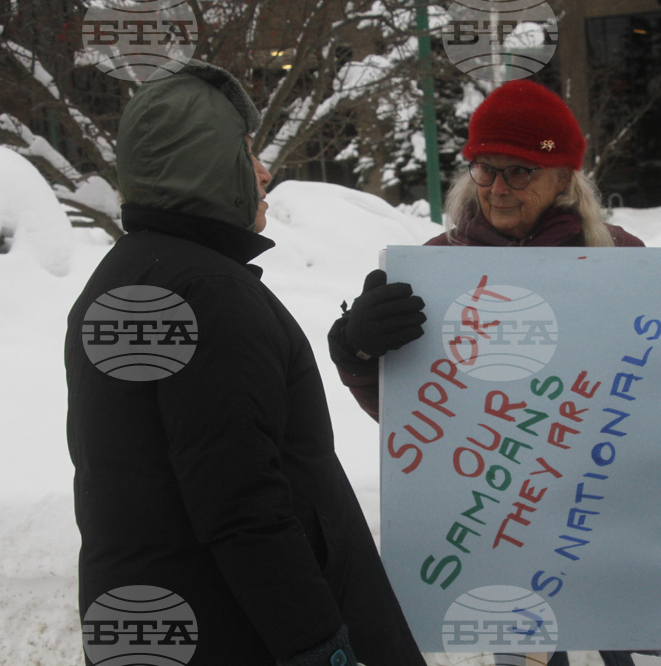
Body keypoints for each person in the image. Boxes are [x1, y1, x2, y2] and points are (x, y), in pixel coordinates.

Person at [65, 61, 423, 666]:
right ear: (204, 165)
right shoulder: (210, 295)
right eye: (246, 152)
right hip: (241, 634)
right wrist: (319, 645)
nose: (264, 172)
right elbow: (242, 502)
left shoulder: (123, 277)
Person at [328, 80, 650, 666]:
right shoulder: (437, 268)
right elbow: (414, 417)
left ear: (564, 178)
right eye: (484, 168)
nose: (498, 188)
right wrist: (357, 351)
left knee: (614, 632)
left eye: (520, 171)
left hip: (597, 505)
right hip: (490, 512)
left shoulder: (618, 259)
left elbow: (652, 375)